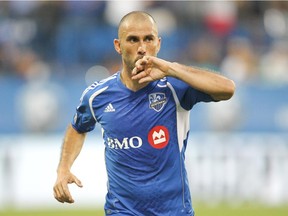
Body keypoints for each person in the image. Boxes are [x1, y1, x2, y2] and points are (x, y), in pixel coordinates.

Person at [53, 11, 235, 216]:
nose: (141, 48)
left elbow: (227, 88)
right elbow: (77, 128)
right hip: (122, 211)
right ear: (118, 46)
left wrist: (171, 69)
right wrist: (63, 168)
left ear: (158, 43)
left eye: (148, 39)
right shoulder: (98, 96)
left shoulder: (175, 88)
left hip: (174, 211)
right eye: (132, 40)